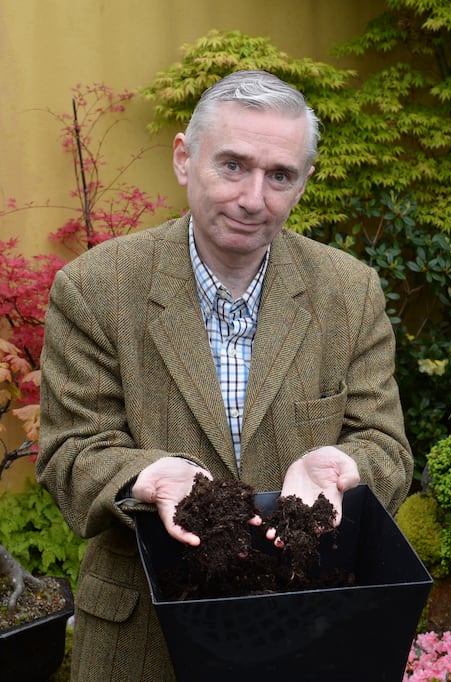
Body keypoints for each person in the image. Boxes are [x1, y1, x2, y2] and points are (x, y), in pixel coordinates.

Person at [36, 69, 412, 681]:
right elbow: (70, 454)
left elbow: (385, 446)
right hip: (145, 638)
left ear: (303, 183)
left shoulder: (347, 291)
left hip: (304, 623)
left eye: (280, 176)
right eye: (232, 165)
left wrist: (346, 468)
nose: (253, 198)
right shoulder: (97, 289)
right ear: (185, 158)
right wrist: (147, 476)